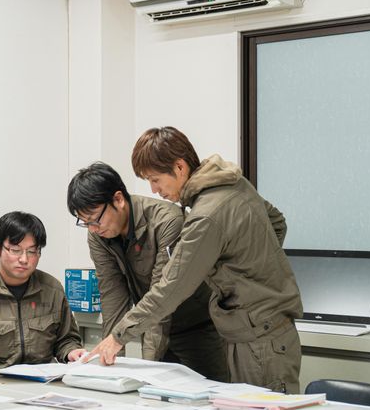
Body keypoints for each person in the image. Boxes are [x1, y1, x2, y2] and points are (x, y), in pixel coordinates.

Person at [87, 126, 304, 393]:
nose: (154, 190)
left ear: (179, 167)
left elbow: (171, 288)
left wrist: (119, 336)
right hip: (262, 329)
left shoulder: (205, 216)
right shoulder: (234, 185)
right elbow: (277, 223)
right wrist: (249, 270)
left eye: (155, 179)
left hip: (257, 338)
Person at [67, 162, 228, 382]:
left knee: (208, 394)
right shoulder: (98, 235)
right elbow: (112, 295)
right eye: (85, 223)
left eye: (95, 219)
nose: (93, 228)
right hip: (149, 322)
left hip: (197, 329)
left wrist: (148, 370)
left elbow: (162, 294)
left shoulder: (167, 221)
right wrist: (108, 365)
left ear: (118, 199)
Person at [0, 211, 86, 377]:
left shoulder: (53, 289)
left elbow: (67, 339)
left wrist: (71, 352)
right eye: (15, 250)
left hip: (44, 381)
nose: (24, 259)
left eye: (32, 251)